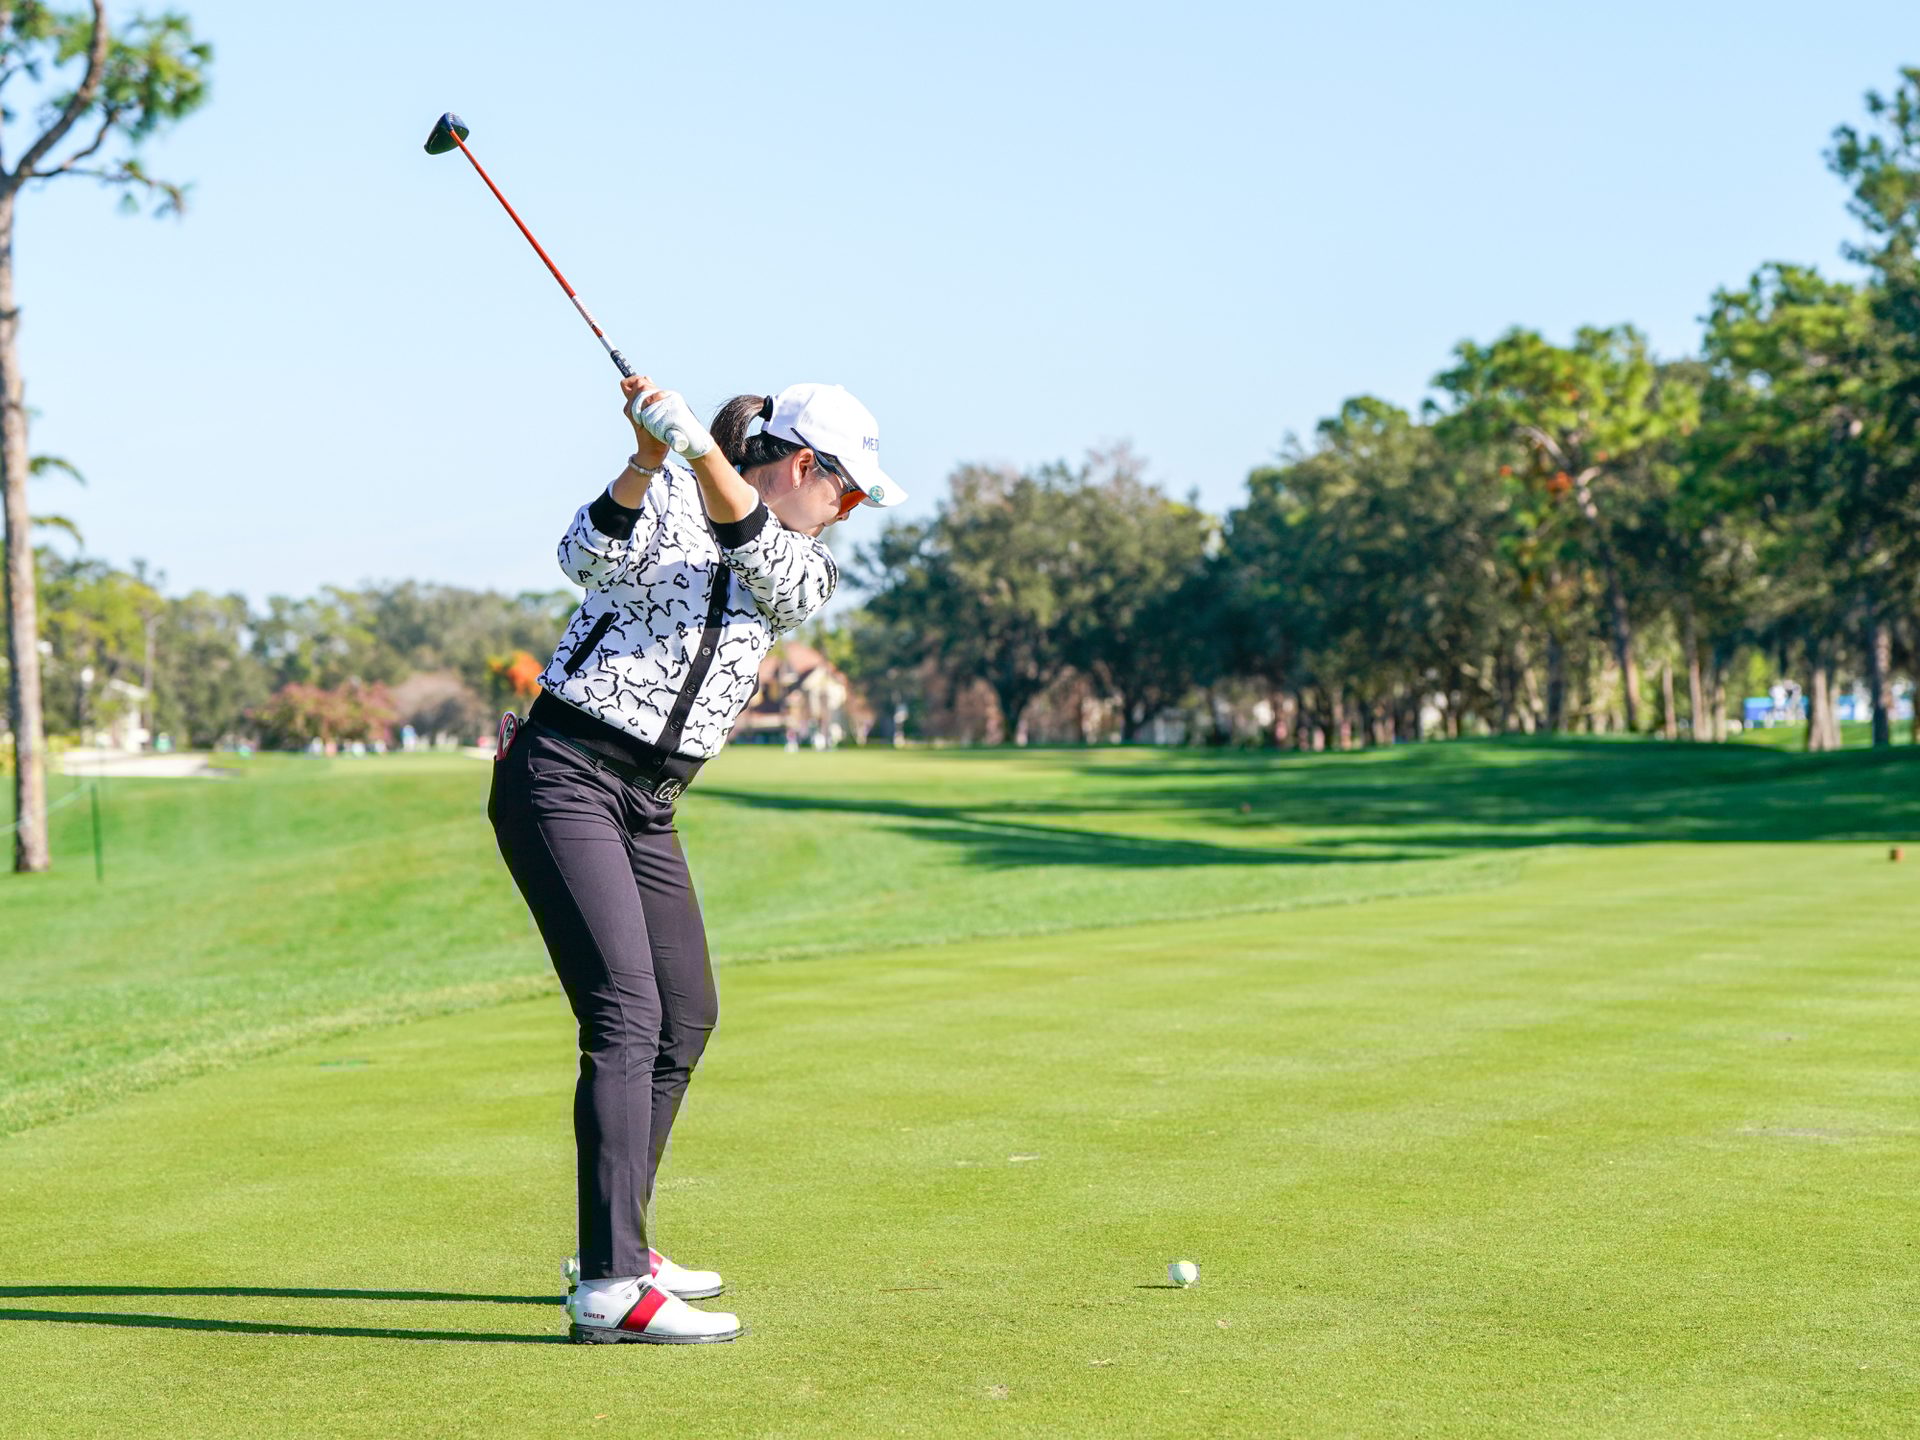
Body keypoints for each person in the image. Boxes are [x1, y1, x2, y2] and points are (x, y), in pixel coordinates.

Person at [488, 374, 904, 1345]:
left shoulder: (800, 559)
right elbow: (582, 557)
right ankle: (610, 1285)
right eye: (844, 493)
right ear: (805, 464)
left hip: (650, 803)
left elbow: (767, 563)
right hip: (565, 771)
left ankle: (621, 1237)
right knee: (624, 1012)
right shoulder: (668, 492)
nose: (845, 514)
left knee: (686, 1014)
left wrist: (702, 455)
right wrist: (645, 455)